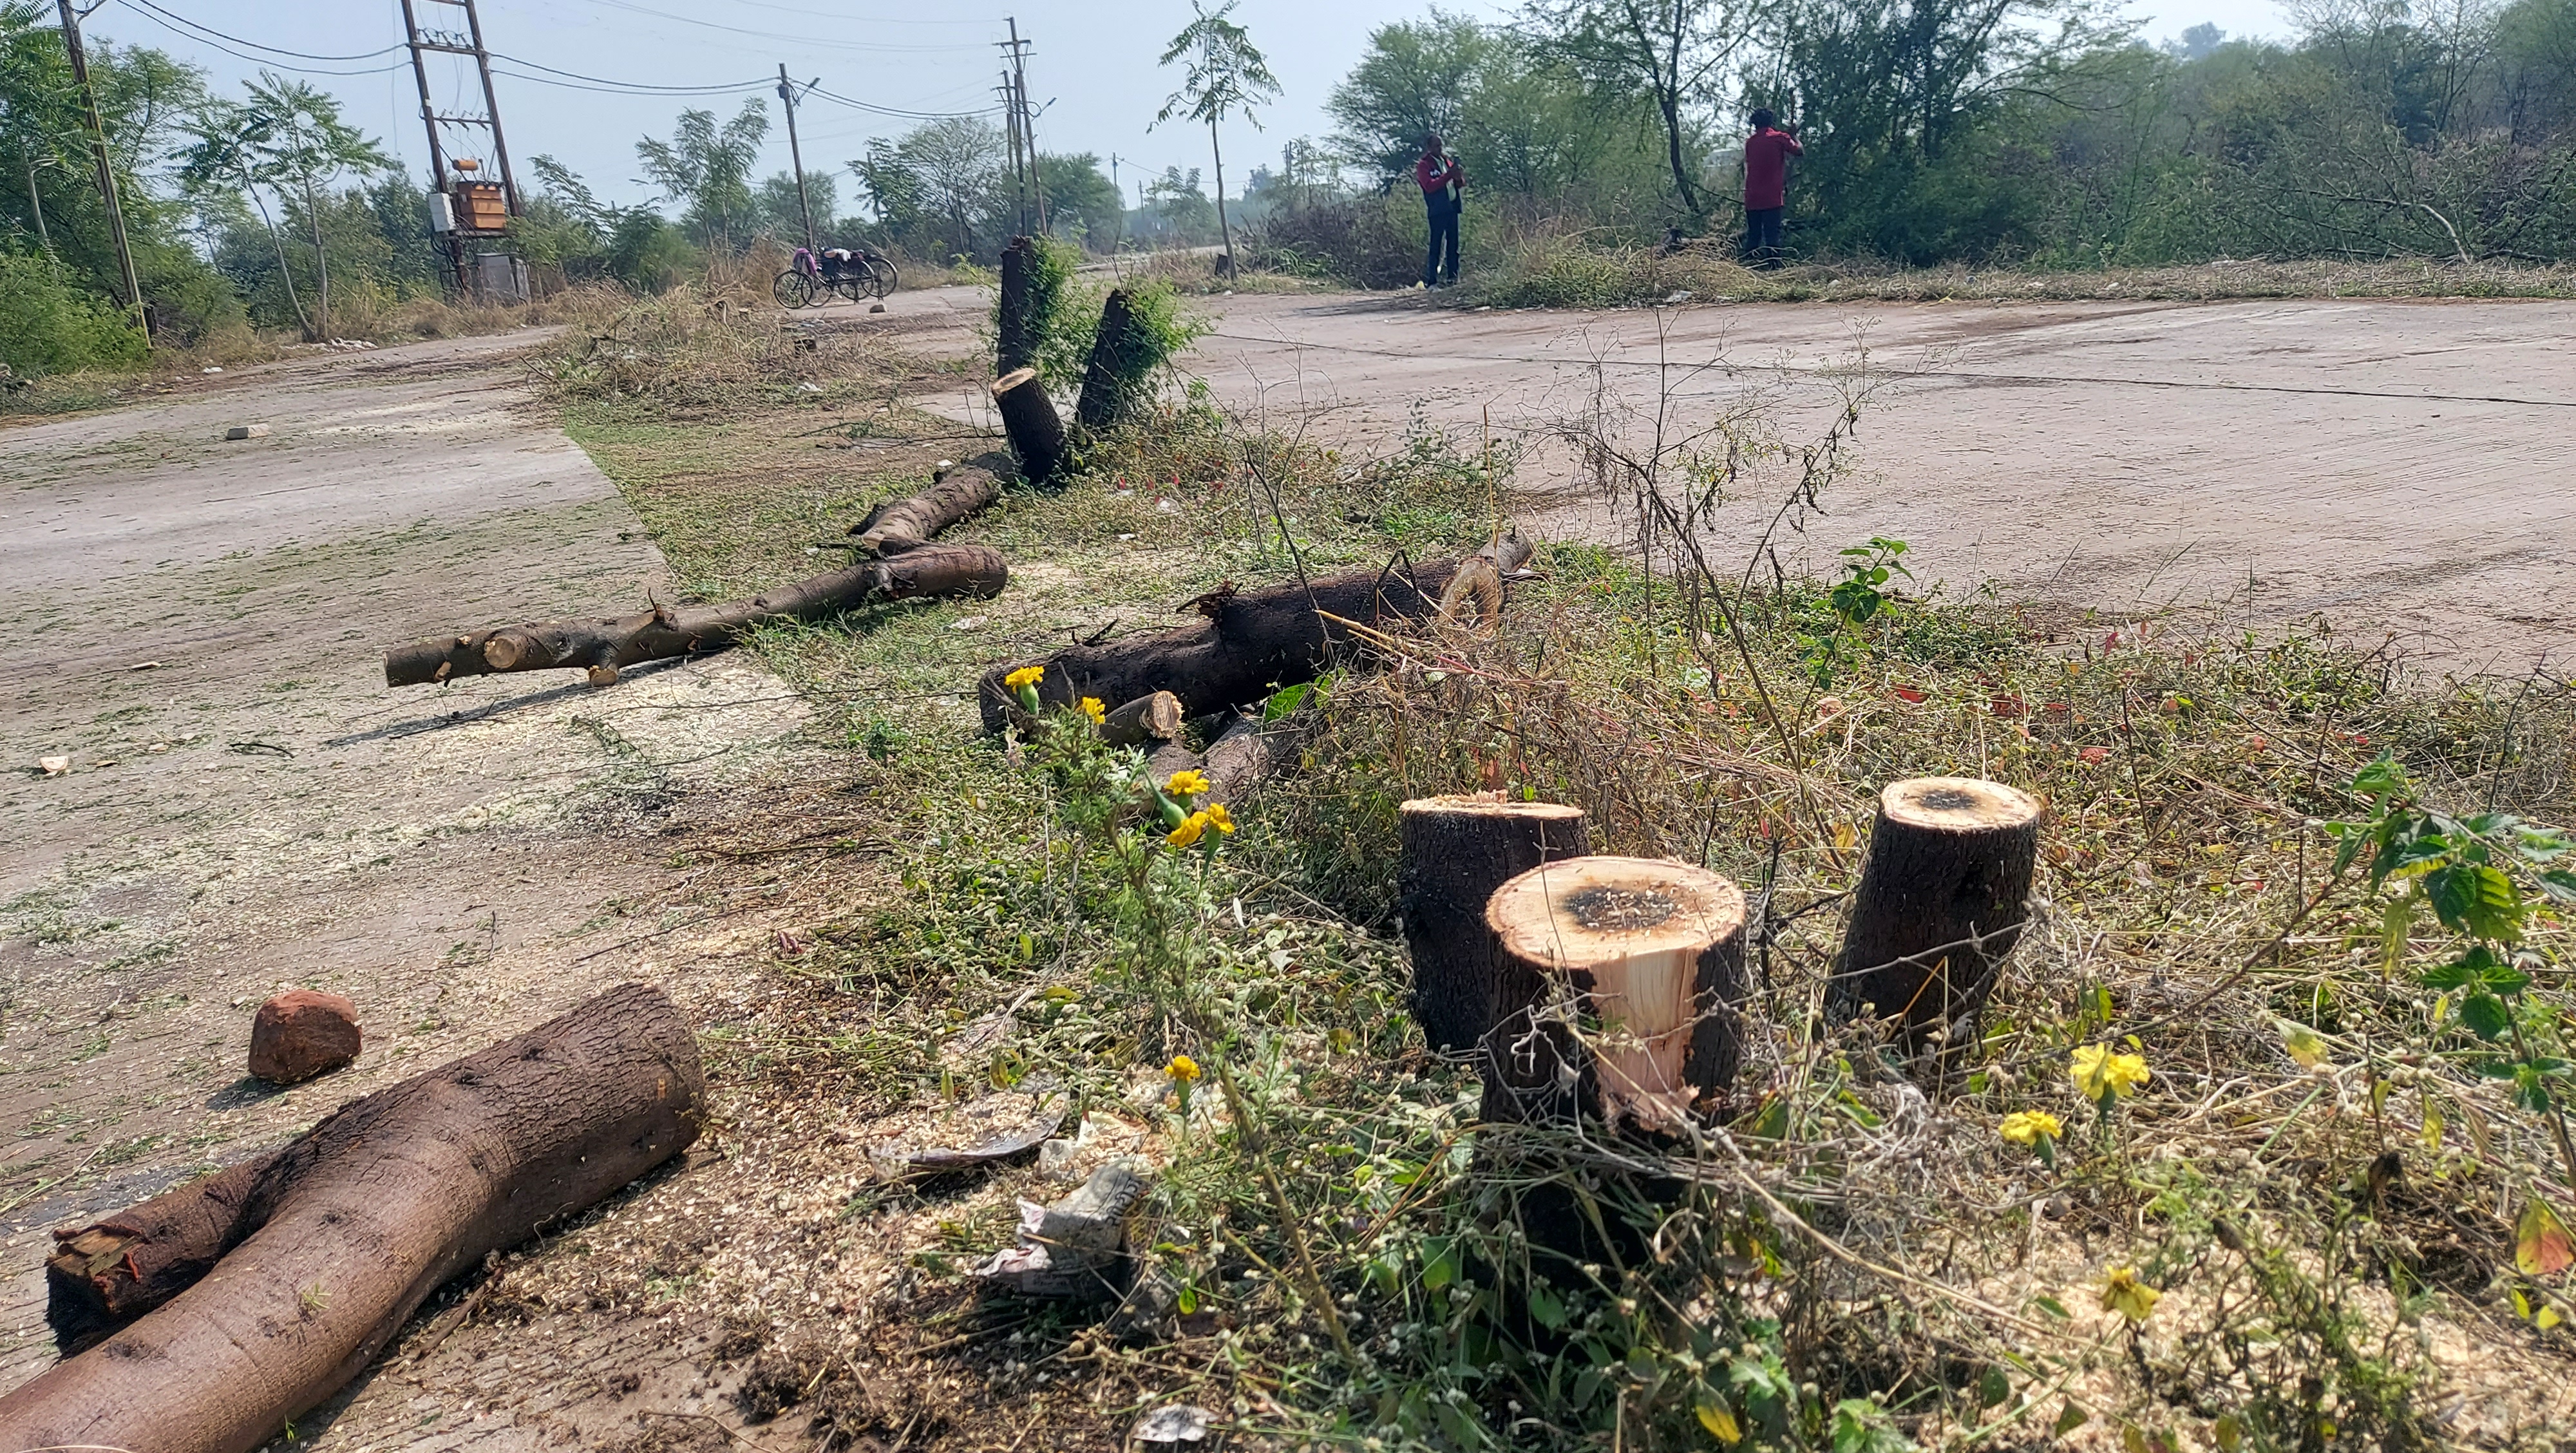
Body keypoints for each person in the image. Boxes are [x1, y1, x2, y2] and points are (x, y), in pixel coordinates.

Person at [1741, 109, 1803, 269]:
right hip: (1771, 198)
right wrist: (1794, 135)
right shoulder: (1780, 138)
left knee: (1753, 236)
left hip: (1752, 197)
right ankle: (1774, 271)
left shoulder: (1750, 143)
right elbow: (1799, 151)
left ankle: (1747, 270)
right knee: (1772, 238)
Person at [1416, 134, 1464, 289]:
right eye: (1437, 146)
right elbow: (1429, 186)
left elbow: (1458, 184)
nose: (1440, 148)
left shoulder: (1446, 161)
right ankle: (1432, 282)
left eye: (1441, 145)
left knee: (1453, 246)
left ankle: (1453, 279)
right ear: (1429, 148)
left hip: (1452, 208)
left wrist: (1457, 176)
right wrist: (1448, 175)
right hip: (1438, 210)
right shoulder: (1424, 165)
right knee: (1436, 245)